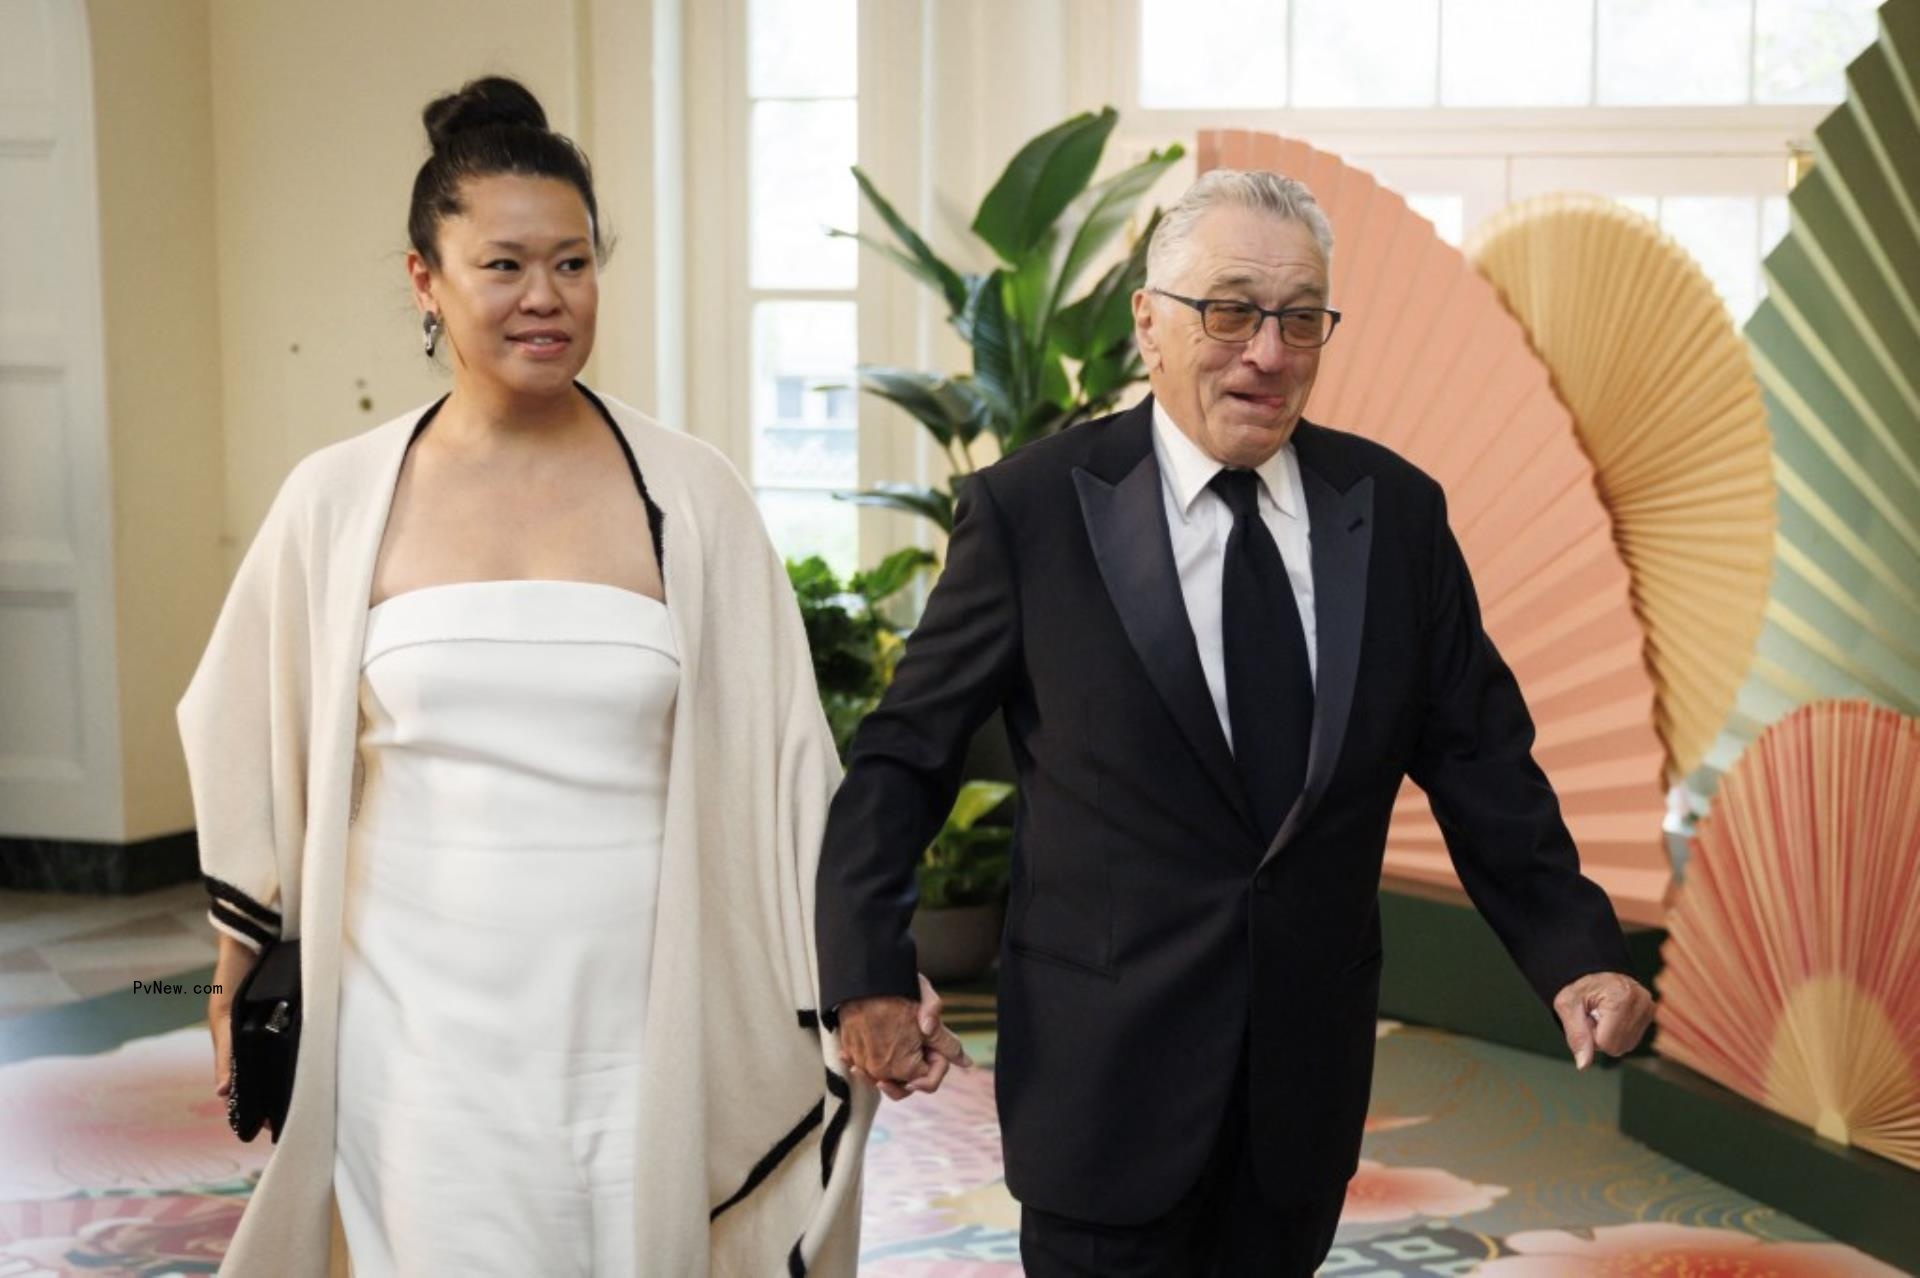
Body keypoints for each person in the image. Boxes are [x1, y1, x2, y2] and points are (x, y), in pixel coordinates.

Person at [815, 170, 1656, 1277]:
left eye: (1301, 316)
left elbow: (1479, 760)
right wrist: (867, 970)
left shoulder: (1394, 515)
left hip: (1298, 1096)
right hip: (1101, 1090)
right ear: (1149, 324)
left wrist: (1578, 953)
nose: (1266, 350)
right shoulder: (1033, 512)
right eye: (1229, 309)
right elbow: (902, 755)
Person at [178, 76, 950, 1276]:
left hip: (639, 1015)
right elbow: (252, 741)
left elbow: (791, 765)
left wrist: (868, 971)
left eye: (575, 263)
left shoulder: (692, 499)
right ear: (424, 280)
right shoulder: (338, 500)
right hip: (413, 1028)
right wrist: (237, 982)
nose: (545, 297)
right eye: (503, 265)